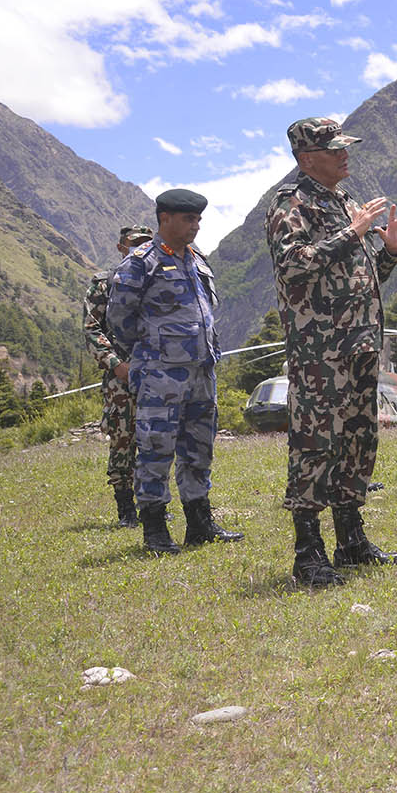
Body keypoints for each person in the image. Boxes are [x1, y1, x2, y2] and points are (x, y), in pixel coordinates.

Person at [267, 117, 397, 588]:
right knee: (316, 445)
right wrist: (352, 233)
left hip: (359, 345)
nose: (345, 155)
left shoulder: (346, 203)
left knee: (357, 439)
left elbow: (360, 280)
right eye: (335, 150)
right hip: (320, 353)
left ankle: (351, 540)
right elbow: (293, 267)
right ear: (307, 159)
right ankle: (308, 554)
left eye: (344, 147)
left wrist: (388, 251)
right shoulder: (290, 206)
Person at [108, 190, 241, 555]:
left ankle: (199, 524)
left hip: (202, 371)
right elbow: (119, 320)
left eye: (198, 220)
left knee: (199, 449)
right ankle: (154, 531)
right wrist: (153, 351)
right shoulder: (141, 262)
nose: (195, 226)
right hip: (160, 374)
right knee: (155, 450)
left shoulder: (197, 260)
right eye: (188, 219)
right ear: (164, 219)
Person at [83, 223, 154, 528]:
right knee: (123, 438)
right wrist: (116, 364)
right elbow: (92, 328)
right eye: (135, 242)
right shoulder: (105, 282)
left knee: (156, 439)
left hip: (156, 373)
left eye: (146, 243)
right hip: (121, 376)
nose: (140, 247)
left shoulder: (158, 279)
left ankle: (154, 503)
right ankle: (126, 508)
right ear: (121, 247)